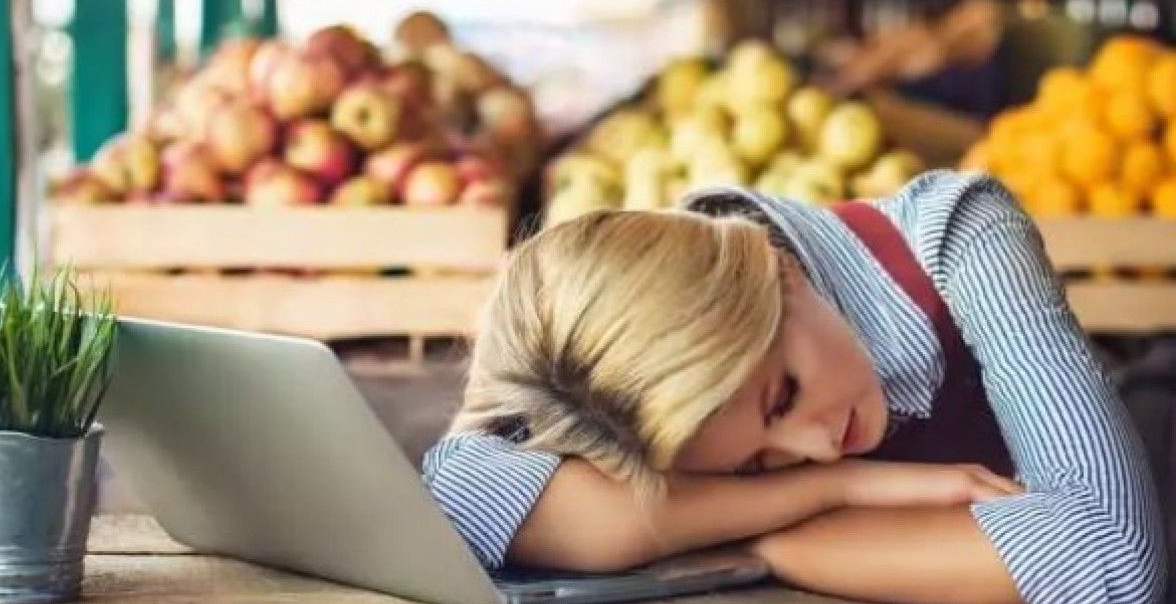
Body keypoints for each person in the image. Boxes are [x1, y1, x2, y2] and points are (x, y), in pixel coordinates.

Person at [421, 170, 1166, 604]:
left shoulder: (959, 234)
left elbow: (1110, 564)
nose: (812, 445)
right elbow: (463, 495)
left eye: (781, 395)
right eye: (754, 466)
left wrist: (736, 530)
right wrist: (836, 491)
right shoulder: (626, 360)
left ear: (778, 270)